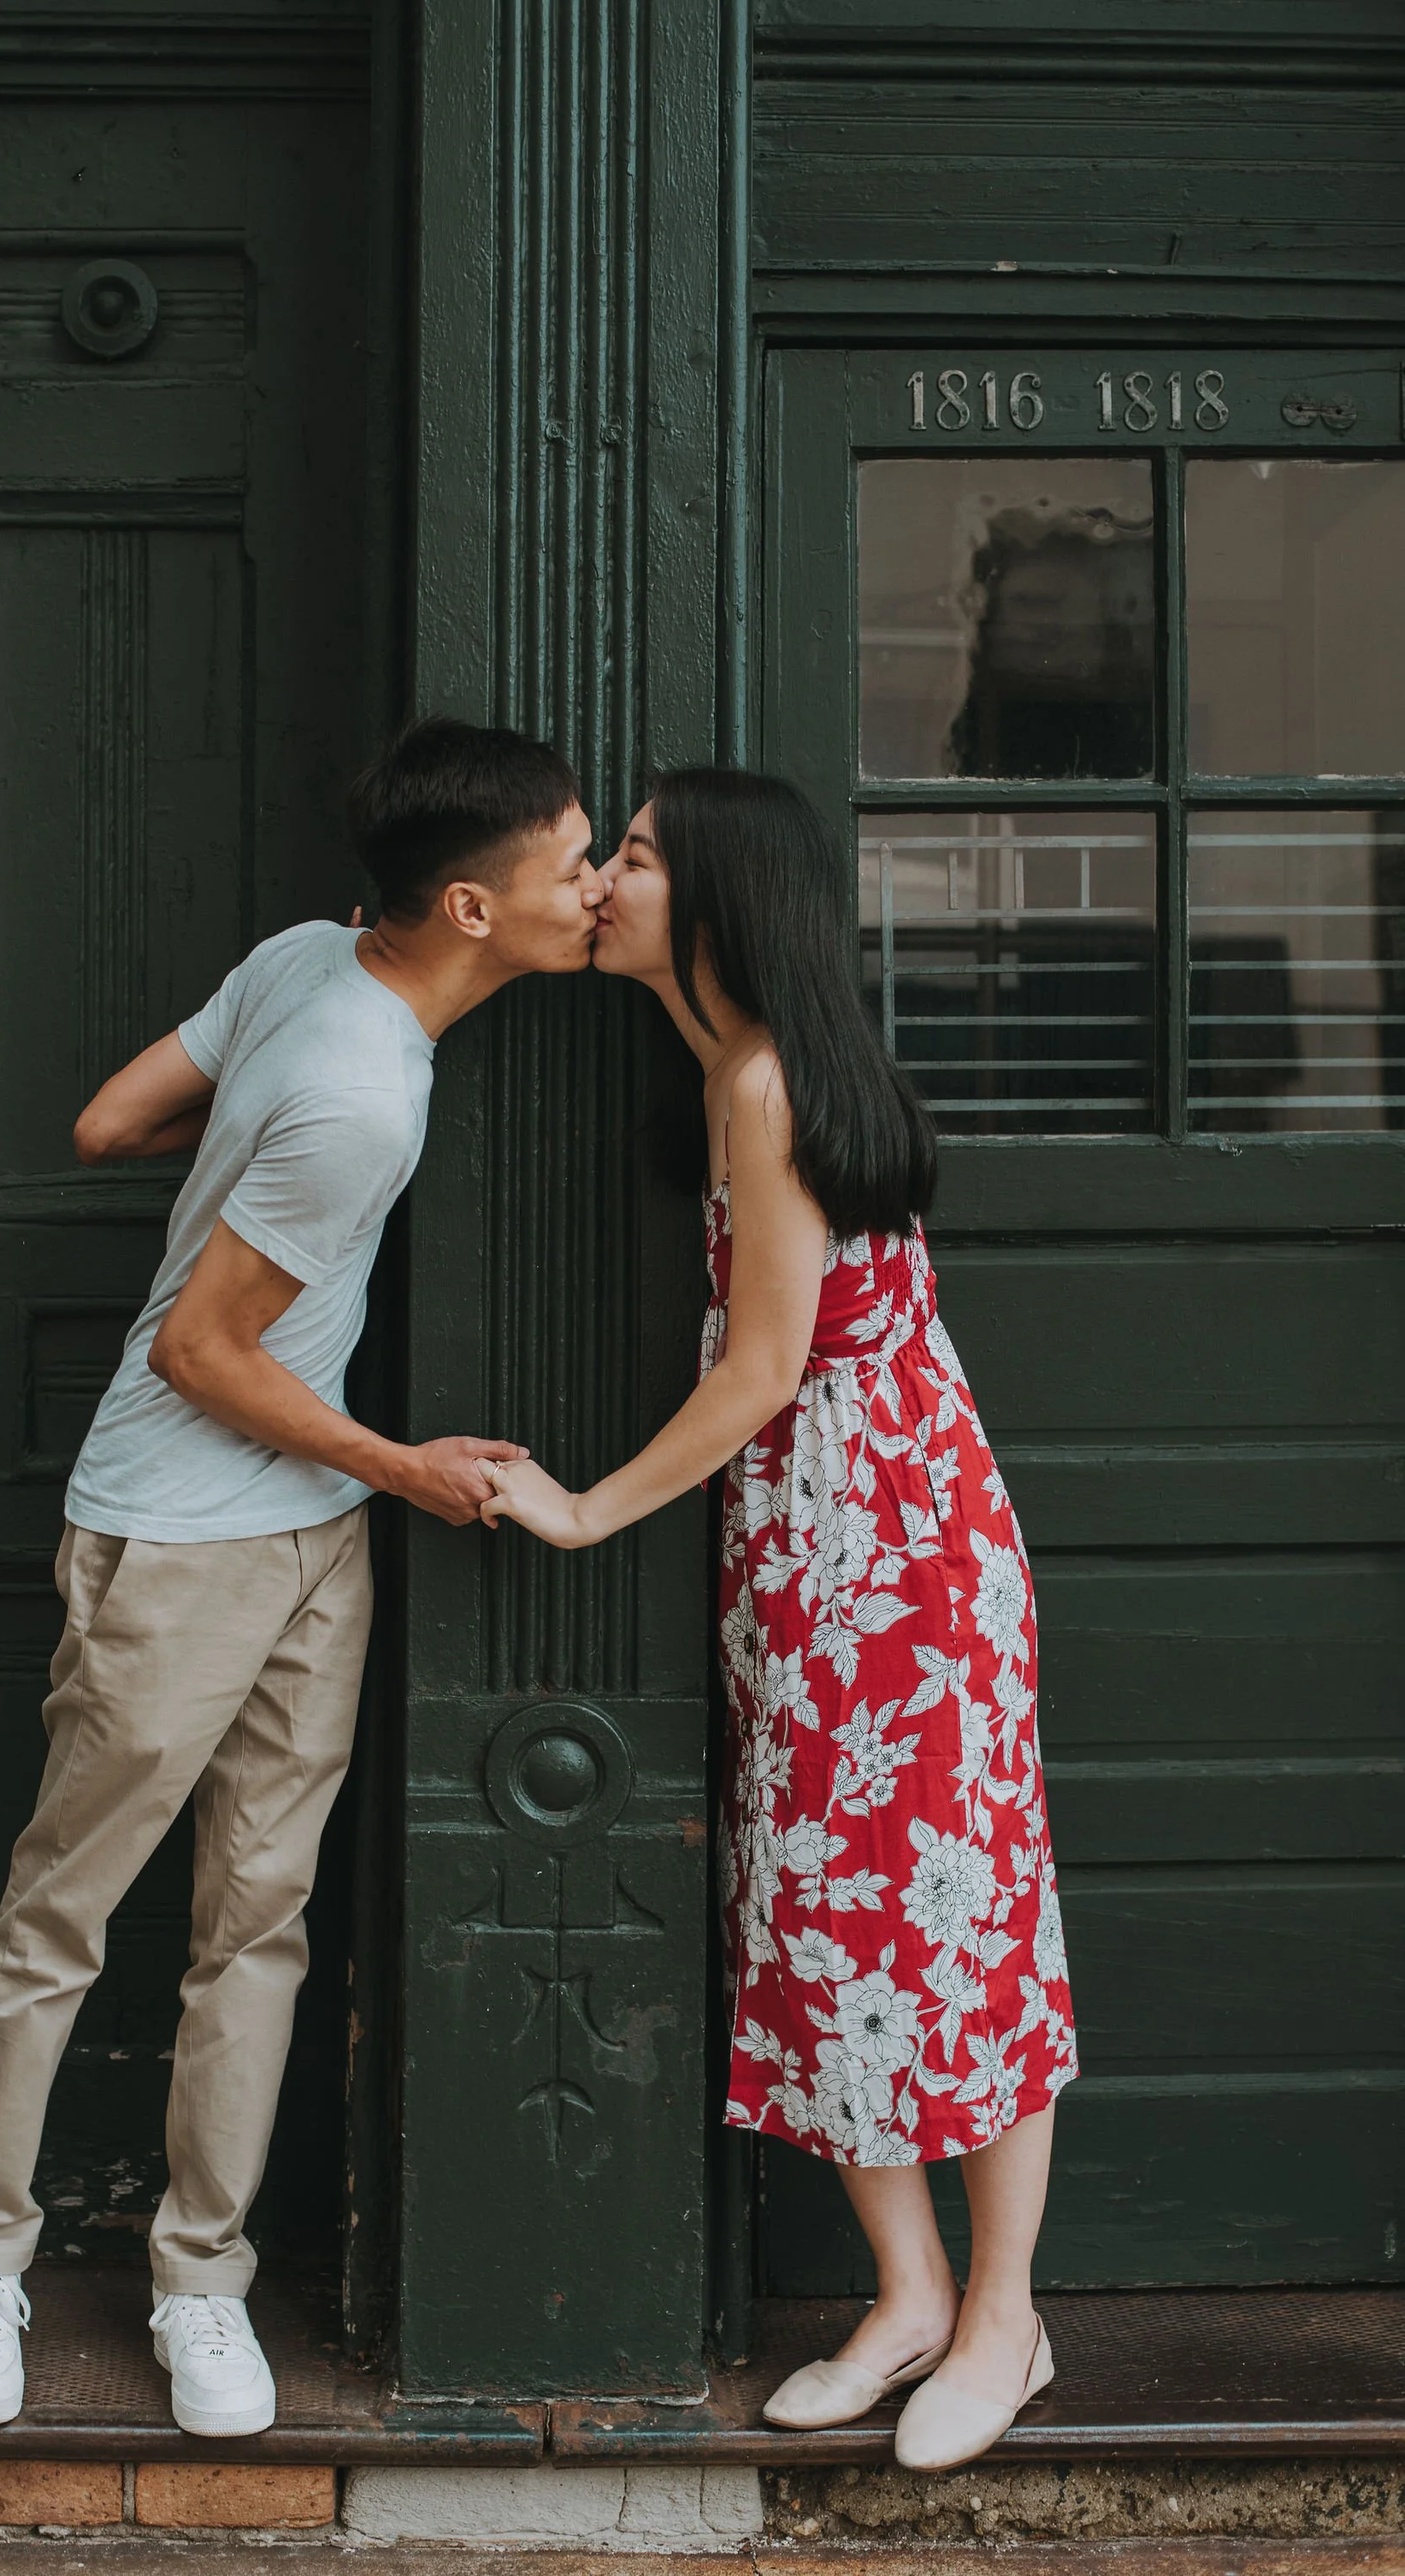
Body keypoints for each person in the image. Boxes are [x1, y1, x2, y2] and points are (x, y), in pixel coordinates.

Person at [0, 719, 602, 2437]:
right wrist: (409, 1464)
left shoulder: (312, 958)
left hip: (302, 1536)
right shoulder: (359, 1094)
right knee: (60, 1915)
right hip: (183, 1538)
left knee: (260, 1928)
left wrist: (241, 1157)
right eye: (569, 867)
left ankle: (199, 2285)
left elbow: (104, 1123)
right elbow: (206, 1357)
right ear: (467, 904)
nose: (593, 890)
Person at [481, 769, 1078, 2473]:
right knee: (825, 1917)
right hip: (814, 1563)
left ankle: (1002, 2315)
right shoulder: (734, 1057)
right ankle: (902, 2295)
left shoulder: (762, 1078)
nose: (608, 876)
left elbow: (762, 1371)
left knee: (955, 1915)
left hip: (893, 1560)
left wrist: (586, 1505)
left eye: (643, 858)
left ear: (726, 896)